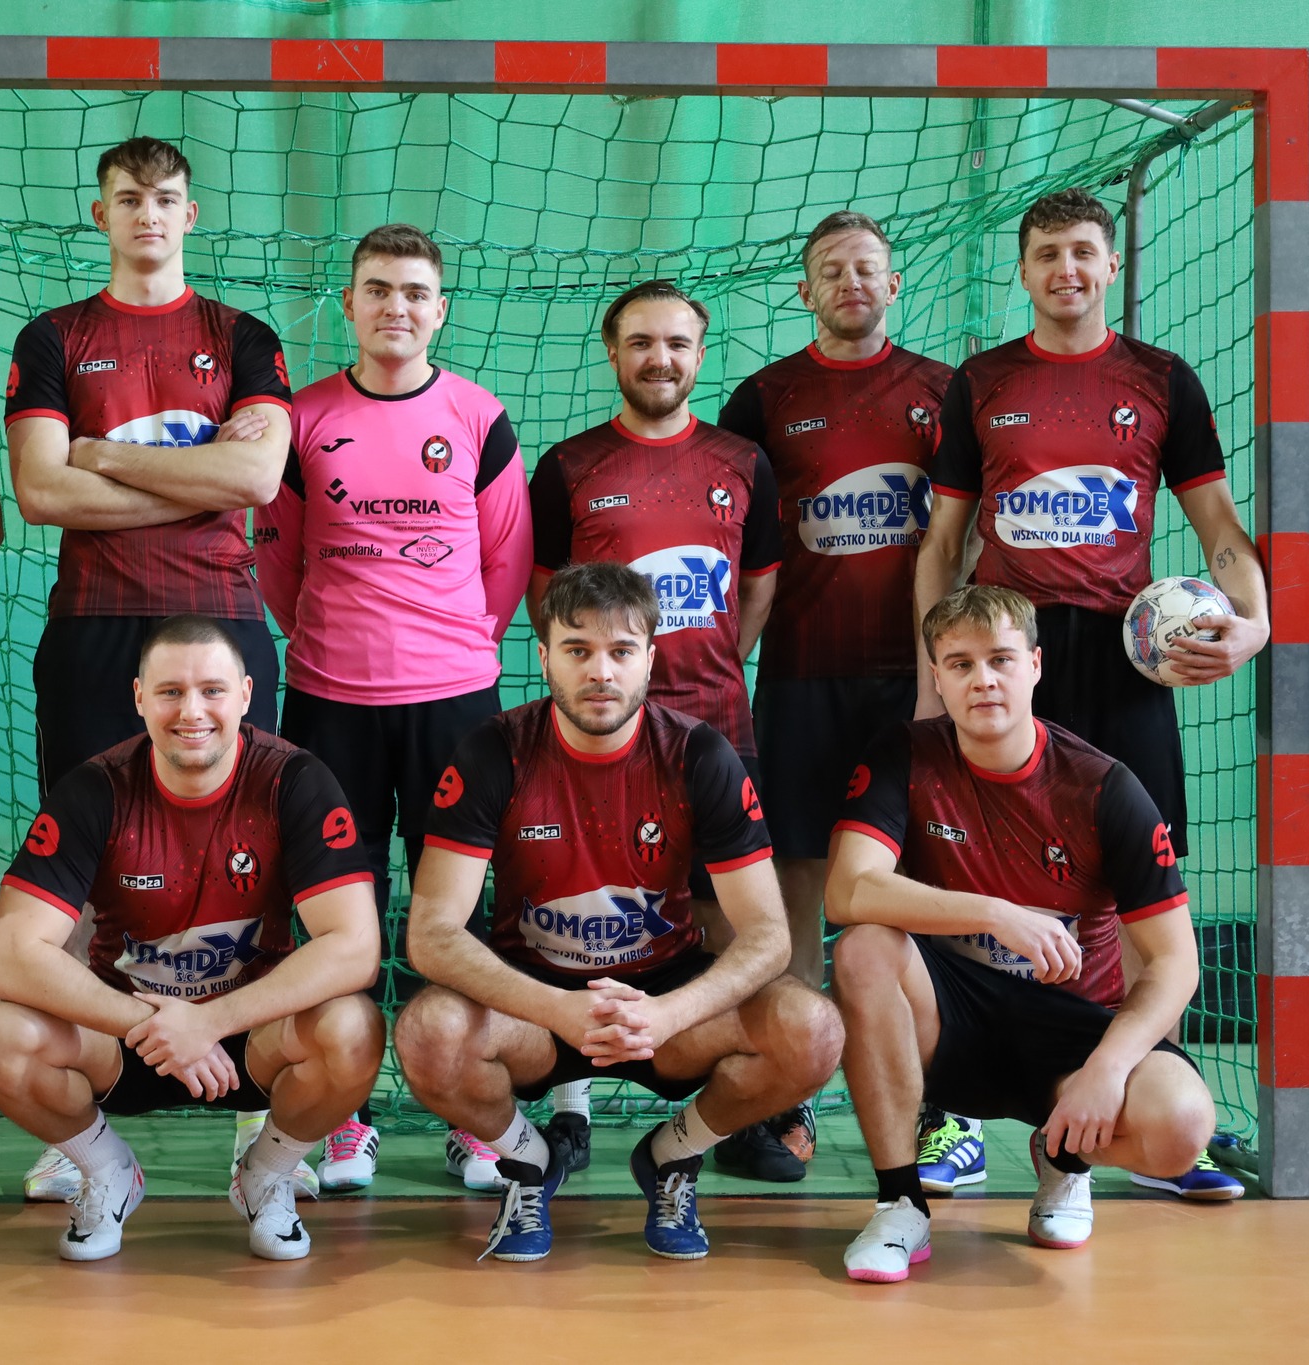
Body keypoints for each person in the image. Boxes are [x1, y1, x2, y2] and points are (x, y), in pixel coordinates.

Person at [915, 188, 1263, 1199]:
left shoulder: (1161, 380)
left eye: (1080, 251)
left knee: (1138, 884)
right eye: (1045, 254)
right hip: (1006, 658)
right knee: (962, 864)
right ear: (1022, 271)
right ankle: (951, 1112)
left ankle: (1136, 1101)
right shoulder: (982, 381)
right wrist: (933, 678)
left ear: (1110, 265)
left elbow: (1219, 530)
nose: (1064, 269)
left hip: (1123, 660)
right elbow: (942, 543)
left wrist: (1254, 622)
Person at [394, 562, 841, 1262]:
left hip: (661, 1003)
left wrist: (669, 1014)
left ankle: (672, 1156)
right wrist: (555, 1007)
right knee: (428, 1033)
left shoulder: (700, 754)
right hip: (537, 1004)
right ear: (544, 658)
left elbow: (768, 935)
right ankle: (529, 1163)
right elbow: (431, 933)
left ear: (650, 660)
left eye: (621, 651)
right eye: (577, 650)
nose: (600, 671)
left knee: (812, 1030)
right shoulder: (493, 752)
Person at [4, 135, 296, 1196]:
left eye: (166, 198)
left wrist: (105, 455)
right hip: (94, 628)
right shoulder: (55, 336)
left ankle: (260, 1099)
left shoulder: (241, 336)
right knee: (77, 866)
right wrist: (193, 475)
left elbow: (256, 477)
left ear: (191, 213)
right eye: (129, 199)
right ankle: (76, 1122)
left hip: (223, 619)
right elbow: (41, 491)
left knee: (257, 853)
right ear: (101, 214)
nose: (148, 214)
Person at [828, 585, 1217, 1282]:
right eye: (961, 664)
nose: (983, 679)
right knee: (863, 949)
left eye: (1001, 659)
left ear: (1035, 665)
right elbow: (848, 890)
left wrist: (1108, 1068)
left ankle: (1064, 1157)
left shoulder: (1105, 787)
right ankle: (899, 1205)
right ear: (937, 676)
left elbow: (1174, 961)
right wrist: (995, 912)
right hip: (952, 1019)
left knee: (1182, 1125)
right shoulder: (905, 754)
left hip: (1074, 1031)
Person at [257, 222, 533, 1193]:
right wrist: (336, 641)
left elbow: (507, 560)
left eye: (415, 292)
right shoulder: (302, 419)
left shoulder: (477, 417)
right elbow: (277, 561)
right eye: (377, 289)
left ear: (439, 310)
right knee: (340, 909)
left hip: (454, 702)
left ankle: (471, 1116)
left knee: (458, 912)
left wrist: (449, 648)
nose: (396, 307)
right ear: (349, 304)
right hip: (329, 700)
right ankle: (343, 1117)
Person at [0, 616, 384, 1262]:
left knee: (353, 1028)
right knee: (4, 1035)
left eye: (212, 690)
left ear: (246, 694)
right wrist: (157, 1025)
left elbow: (356, 945)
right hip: (128, 1033)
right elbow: (10, 955)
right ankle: (108, 1171)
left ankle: (266, 1173)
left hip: (251, 1038)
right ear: (139, 698)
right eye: (170, 692)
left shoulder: (294, 782)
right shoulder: (96, 789)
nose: (192, 711)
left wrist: (211, 1021)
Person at [715, 209, 955, 1183]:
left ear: (892, 285)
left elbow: (969, 536)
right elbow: (730, 544)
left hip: (918, 686)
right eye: (830, 269)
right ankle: (788, 1092)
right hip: (801, 678)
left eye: (866, 268)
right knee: (798, 889)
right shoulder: (762, 399)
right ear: (803, 290)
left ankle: (941, 1106)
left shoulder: (945, 392)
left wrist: (948, 675)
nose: (850, 282)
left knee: (923, 889)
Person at [526, 280, 783, 1168]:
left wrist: (701, 672)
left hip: (716, 725)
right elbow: (547, 598)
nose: (659, 358)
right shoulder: (568, 465)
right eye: (640, 342)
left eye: (676, 343)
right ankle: (570, 1102)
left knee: (722, 916)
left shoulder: (743, 461)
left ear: (700, 355)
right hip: (595, 737)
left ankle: (722, 1109)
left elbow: (757, 588)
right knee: (586, 897)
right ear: (613, 353)